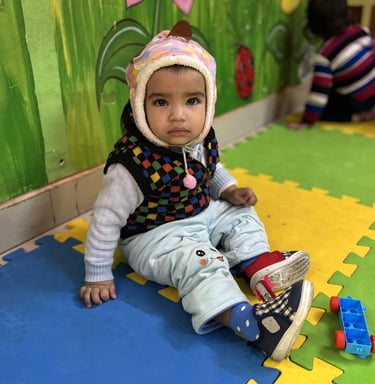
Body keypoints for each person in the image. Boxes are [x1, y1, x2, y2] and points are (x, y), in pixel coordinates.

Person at [80, 20, 313, 361]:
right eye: (161, 102)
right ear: (138, 104)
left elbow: (211, 168)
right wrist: (97, 274)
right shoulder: (131, 165)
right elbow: (105, 219)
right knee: (201, 262)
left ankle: (257, 266)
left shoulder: (199, 138)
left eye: (192, 101)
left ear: (209, 101)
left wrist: (229, 189)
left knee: (240, 212)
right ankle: (255, 326)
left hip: (201, 213)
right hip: (156, 237)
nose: (178, 116)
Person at [288, 0, 375, 130]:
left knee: (325, 110)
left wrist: (306, 121)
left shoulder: (325, 55)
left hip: (358, 103)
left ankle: (358, 116)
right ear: (346, 13)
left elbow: (318, 95)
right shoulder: (361, 30)